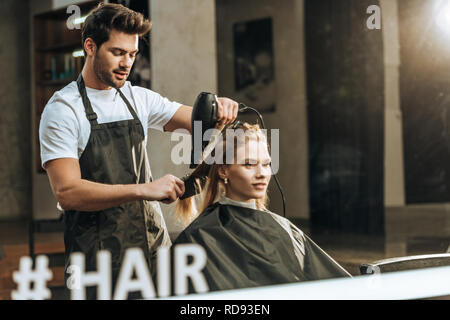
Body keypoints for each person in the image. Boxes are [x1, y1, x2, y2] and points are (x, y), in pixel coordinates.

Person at [39, 3, 238, 298]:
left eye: (132, 54)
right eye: (118, 53)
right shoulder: (64, 109)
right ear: (90, 46)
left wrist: (219, 108)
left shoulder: (137, 98)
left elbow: (197, 119)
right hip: (97, 257)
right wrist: (143, 190)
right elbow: (68, 192)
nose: (126, 63)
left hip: (152, 249)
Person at [173, 122, 351, 294]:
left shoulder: (285, 230)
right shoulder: (198, 236)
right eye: (249, 164)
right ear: (223, 171)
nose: (262, 174)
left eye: (266, 164)